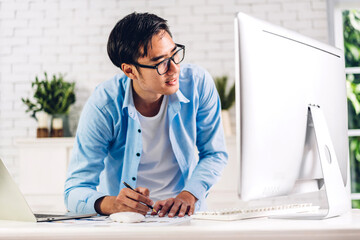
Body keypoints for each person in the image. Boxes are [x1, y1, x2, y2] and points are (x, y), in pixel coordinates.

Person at [64, 12, 228, 218]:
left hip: (185, 218)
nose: (175, 68)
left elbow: (215, 154)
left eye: (174, 54)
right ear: (130, 71)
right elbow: (74, 190)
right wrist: (113, 204)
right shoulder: (104, 105)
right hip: (128, 223)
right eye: (160, 62)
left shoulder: (198, 84)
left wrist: (189, 195)